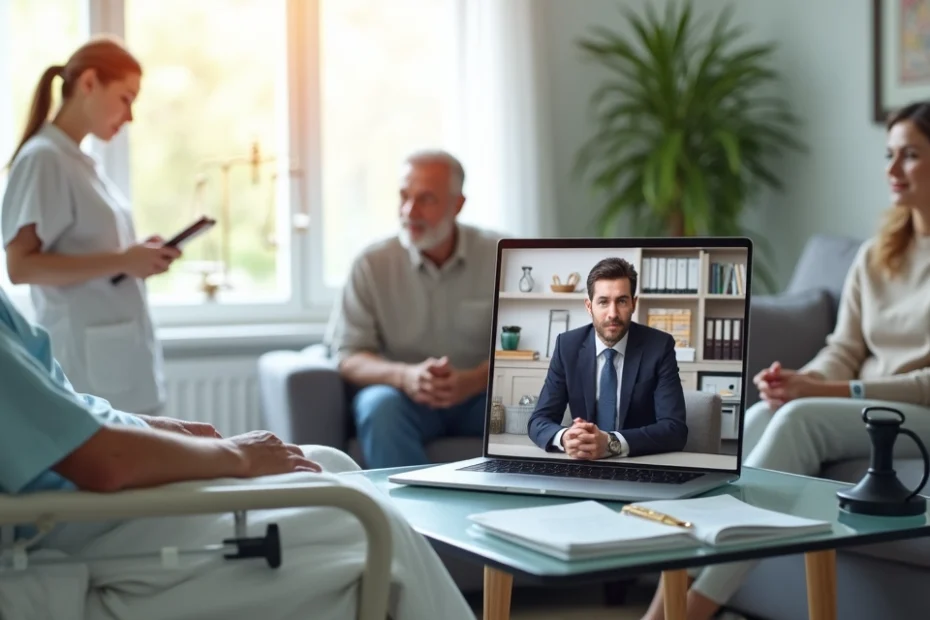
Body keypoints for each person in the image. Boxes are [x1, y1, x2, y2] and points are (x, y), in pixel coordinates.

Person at [0, 286, 474, 620]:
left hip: (97, 494)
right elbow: (103, 462)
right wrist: (237, 458)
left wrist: (166, 430)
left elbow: (68, 413)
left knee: (333, 463)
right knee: (368, 519)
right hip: (77, 519)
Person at [640, 101, 930, 620]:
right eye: (889, 155)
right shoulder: (878, 253)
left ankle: (690, 612)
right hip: (862, 407)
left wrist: (824, 393)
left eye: (909, 156)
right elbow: (845, 349)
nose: (891, 170)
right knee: (756, 416)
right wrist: (804, 378)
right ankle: (670, 593)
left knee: (799, 418)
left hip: (914, 415)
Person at [1, 36, 179, 415]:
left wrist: (136, 257)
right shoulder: (43, 160)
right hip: (85, 363)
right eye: (125, 98)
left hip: (115, 355)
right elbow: (21, 267)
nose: (129, 116)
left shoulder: (79, 162)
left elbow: (95, 252)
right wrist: (121, 260)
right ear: (88, 83)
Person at [329, 149, 503, 468]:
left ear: (457, 204)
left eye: (426, 199)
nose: (410, 211)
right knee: (378, 407)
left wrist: (475, 380)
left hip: (482, 396)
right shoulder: (371, 264)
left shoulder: (503, 255)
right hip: (405, 398)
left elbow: (535, 347)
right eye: (404, 196)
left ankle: (526, 513)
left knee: (535, 404)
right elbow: (348, 355)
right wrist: (405, 376)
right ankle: (408, 518)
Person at [527, 257, 688, 459]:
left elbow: (675, 430)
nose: (613, 313)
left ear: (633, 304)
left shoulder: (659, 347)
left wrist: (611, 443)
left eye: (621, 301)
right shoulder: (567, 346)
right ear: (589, 306)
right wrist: (564, 437)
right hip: (582, 462)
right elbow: (539, 420)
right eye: (603, 302)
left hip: (640, 462)